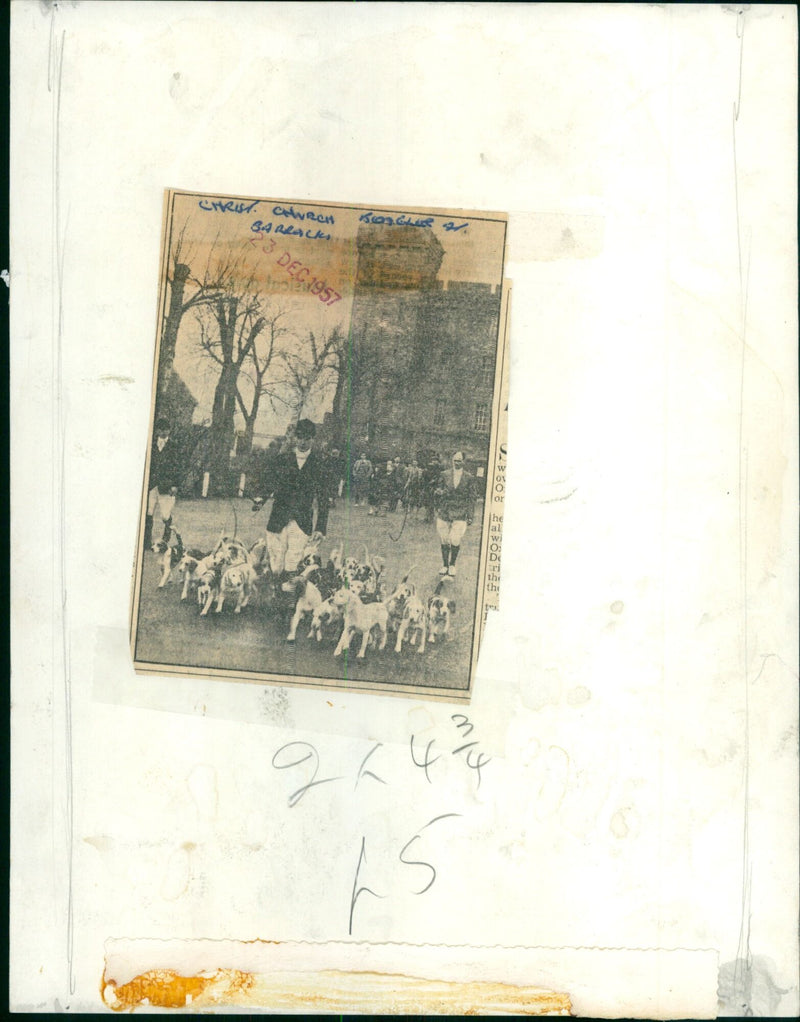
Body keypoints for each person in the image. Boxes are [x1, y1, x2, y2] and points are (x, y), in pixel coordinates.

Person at [255, 418, 329, 578]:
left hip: (301, 520)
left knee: (293, 561)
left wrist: (321, 527)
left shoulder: (319, 465)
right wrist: (260, 499)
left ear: (313, 439)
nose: (303, 442)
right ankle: (274, 594)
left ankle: (288, 598)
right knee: (276, 563)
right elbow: (269, 484)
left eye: (307, 438)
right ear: (295, 438)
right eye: (300, 437)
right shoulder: (282, 460)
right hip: (278, 517)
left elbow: (323, 498)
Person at [433, 451, 475, 578]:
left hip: (460, 512)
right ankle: (445, 564)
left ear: (464, 462)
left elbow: (472, 498)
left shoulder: (469, 477)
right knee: (444, 538)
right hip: (445, 511)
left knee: (455, 539)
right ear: (452, 460)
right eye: (455, 460)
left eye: (459, 460)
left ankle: (452, 565)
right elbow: (437, 490)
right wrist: (439, 494)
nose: (457, 462)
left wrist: (470, 515)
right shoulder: (444, 474)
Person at [145, 417, 181, 550]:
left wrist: (175, 485)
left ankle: (165, 538)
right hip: (151, 485)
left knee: (165, 515)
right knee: (148, 513)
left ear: (169, 430)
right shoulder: (150, 445)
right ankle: (146, 542)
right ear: (157, 431)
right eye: (161, 430)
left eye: (166, 429)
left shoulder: (174, 446)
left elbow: (178, 467)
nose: (163, 432)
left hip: (166, 486)